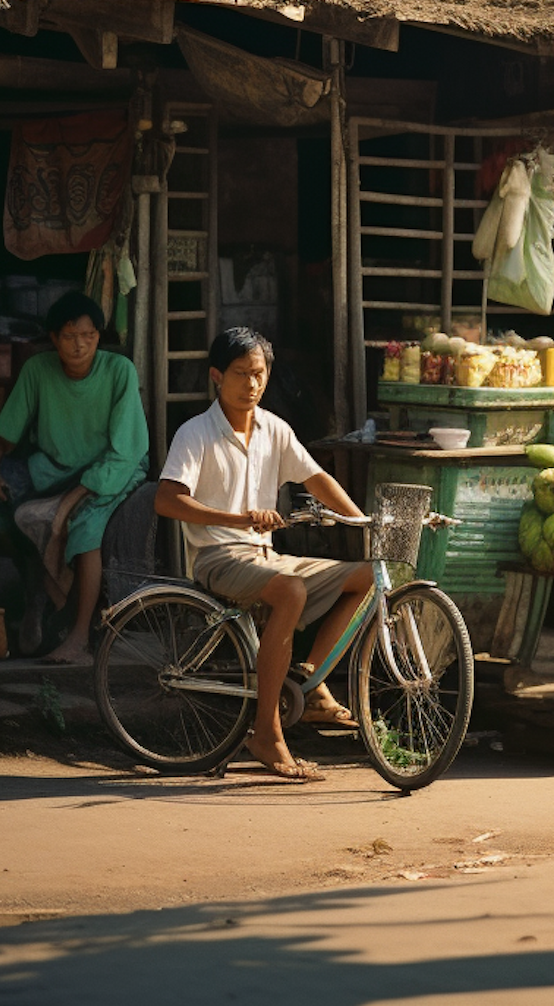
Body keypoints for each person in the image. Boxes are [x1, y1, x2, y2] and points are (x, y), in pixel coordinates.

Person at [155, 327, 371, 783]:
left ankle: (306, 683)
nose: (251, 384)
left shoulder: (274, 428)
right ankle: (266, 733)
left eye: (259, 373)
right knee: (290, 590)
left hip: (265, 557)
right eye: (240, 374)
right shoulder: (195, 433)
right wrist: (237, 519)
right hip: (217, 556)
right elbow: (167, 500)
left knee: (368, 577)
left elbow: (314, 478)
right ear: (217, 376)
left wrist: (360, 521)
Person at [0, 292, 150, 663]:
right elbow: (7, 429)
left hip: (112, 467)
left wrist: (70, 503)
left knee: (85, 527)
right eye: (69, 337)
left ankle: (79, 637)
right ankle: (38, 590)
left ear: (99, 337)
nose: (79, 345)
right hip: (56, 467)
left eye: (88, 336)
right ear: (54, 339)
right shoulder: (38, 370)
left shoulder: (119, 371)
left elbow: (125, 449)